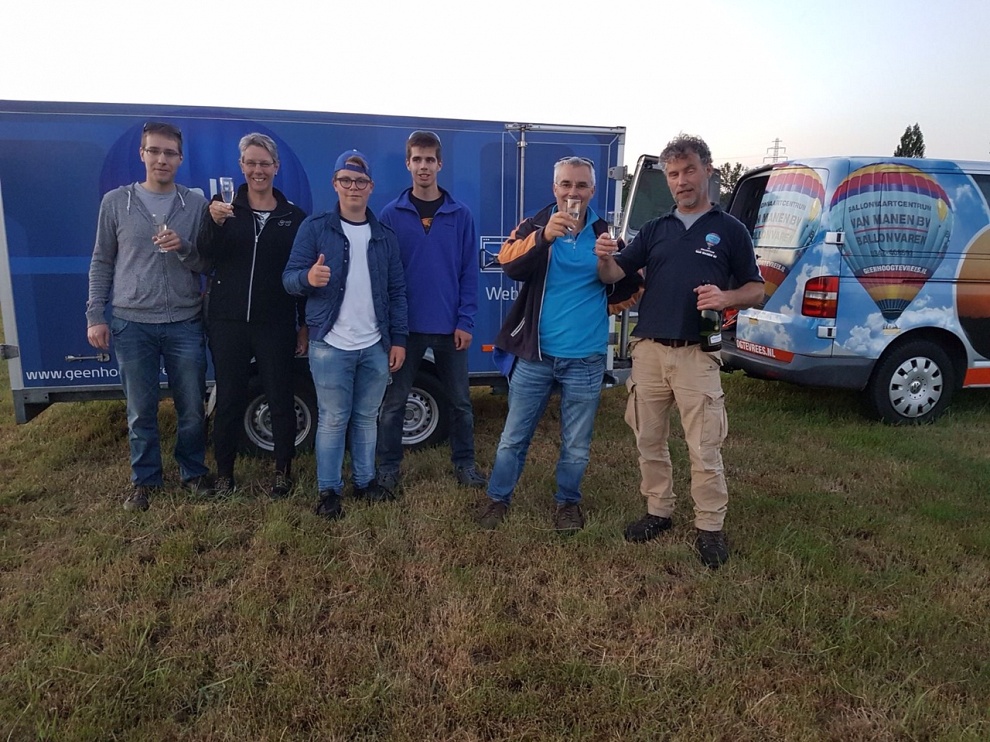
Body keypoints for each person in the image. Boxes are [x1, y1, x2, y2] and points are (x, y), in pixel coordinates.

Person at [594, 134, 764, 568]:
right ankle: (659, 511)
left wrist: (727, 298)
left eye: (689, 170)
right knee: (648, 440)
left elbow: (757, 289)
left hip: (697, 354)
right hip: (649, 351)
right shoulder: (655, 229)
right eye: (673, 174)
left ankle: (710, 527)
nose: (681, 181)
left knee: (704, 447)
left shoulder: (731, 230)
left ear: (708, 170)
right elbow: (614, 274)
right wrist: (605, 257)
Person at [478, 156, 642, 533]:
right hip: (535, 354)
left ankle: (567, 503)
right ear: (555, 188)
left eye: (581, 185)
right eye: (566, 184)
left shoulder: (605, 233)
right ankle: (497, 498)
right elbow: (509, 265)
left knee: (577, 444)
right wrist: (544, 238)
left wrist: (605, 279)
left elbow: (631, 285)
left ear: (593, 190)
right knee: (513, 438)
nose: (573, 192)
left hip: (585, 357)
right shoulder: (536, 224)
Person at [86, 121, 214, 511]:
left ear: (180, 159)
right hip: (132, 322)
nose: (162, 159)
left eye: (169, 153)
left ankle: (193, 471)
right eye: (154, 151)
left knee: (191, 407)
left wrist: (184, 247)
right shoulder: (116, 202)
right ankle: (145, 481)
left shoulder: (194, 205)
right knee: (140, 409)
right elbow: (102, 261)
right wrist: (95, 314)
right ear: (142, 154)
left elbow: (207, 263)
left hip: (184, 321)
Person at [282, 150, 407, 520]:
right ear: (335, 184)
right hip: (330, 344)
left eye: (360, 181)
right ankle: (329, 490)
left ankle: (365, 482)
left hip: (375, 344)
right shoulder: (316, 228)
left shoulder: (384, 235)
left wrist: (399, 339)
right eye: (346, 180)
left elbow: (397, 291)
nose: (354, 187)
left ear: (371, 187)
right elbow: (289, 279)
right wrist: (308, 278)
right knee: (334, 419)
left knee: (366, 417)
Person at [198, 133, 308, 499]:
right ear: (241, 166)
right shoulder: (223, 208)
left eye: (264, 163)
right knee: (229, 399)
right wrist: (213, 223)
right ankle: (225, 474)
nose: (258, 170)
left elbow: (301, 275)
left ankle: (282, 472)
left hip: (275, 322)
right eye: (251, 163)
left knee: (280, 397)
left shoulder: (294, 217)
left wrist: (304, 324)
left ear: (276, 167)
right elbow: (205, 255)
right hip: (227, 321)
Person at [376, 130, 485, 492]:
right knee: (393, 404)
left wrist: (466, 320)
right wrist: (392, 329)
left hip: (450, 326)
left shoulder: (460, 214)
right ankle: (388, 469)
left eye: (429, 160)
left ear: (440, 164)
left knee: (460, 403)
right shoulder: (391, 215)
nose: (423, 166)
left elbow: (469, 272)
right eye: (417, 159)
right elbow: (386, 275)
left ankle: (465, 464)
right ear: (408, 164)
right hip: (405, 330)